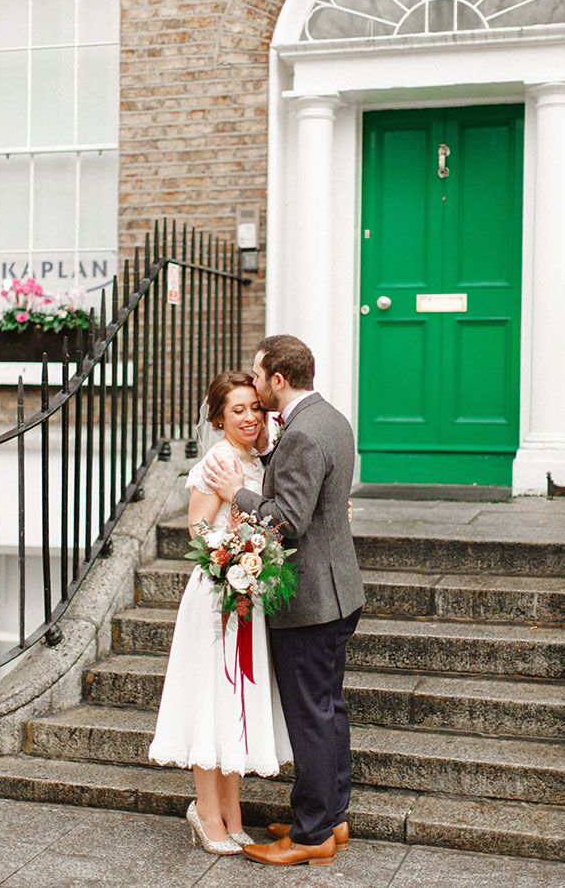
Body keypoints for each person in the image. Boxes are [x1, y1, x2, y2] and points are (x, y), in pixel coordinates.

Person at [203, 334, 365, 867]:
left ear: (278, 379)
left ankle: (312, 833)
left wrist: (237, 494)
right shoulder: (330, 418)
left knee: (312, 716)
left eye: (257, 374)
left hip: (312, 601)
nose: (252, 382)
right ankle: (332, 817)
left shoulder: (301, 433)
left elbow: (287, 519)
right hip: (341, 590)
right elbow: (313, 489)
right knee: (330, 708)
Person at [148, 371, 292, 855]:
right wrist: (235, 558)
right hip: (217, 596)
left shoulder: (257, 458)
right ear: (218, 418)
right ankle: (205, 810)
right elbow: (197, 530)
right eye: (238, 409)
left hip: (248, 593)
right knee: (212, 699)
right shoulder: (219, 460)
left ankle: (233, 812)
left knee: (235, 703)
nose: (250, 416)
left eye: (255, 406)